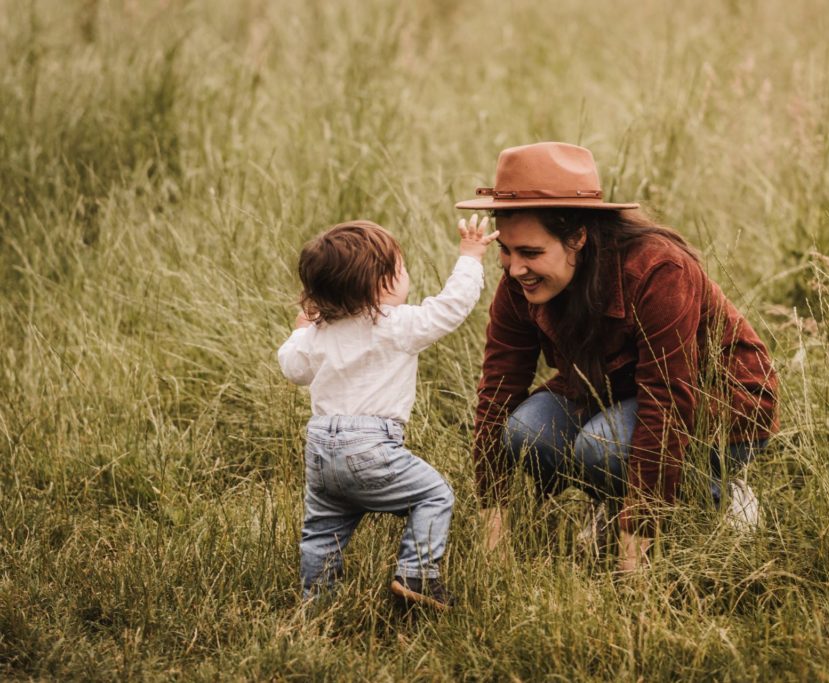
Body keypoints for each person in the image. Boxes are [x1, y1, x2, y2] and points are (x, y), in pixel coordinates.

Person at [457, 142, 778, 572]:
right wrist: (492, 529)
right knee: (524, 431)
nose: (515, 269)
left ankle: (718, 495)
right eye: (506, 251)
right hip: (615, 392)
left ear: (578, 237)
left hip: (714, 403)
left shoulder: (657, 270)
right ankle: (614, 499)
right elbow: (497, 391)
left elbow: (666, 403)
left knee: (599, 447)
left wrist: (634, 558)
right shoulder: (519, 283)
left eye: (531, 253)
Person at [278, 216, 499, 608]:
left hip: (320, 450)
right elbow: (450, 308)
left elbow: (293, 370)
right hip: (370, 445)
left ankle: (316, 604)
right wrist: (470, 256)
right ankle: (416, 574)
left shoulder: (318, 333)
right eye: (401, 268)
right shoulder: (395, 324)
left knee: (321, 529)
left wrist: (299, 331)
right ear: (383, 283)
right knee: (434, 495)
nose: (406, 274)